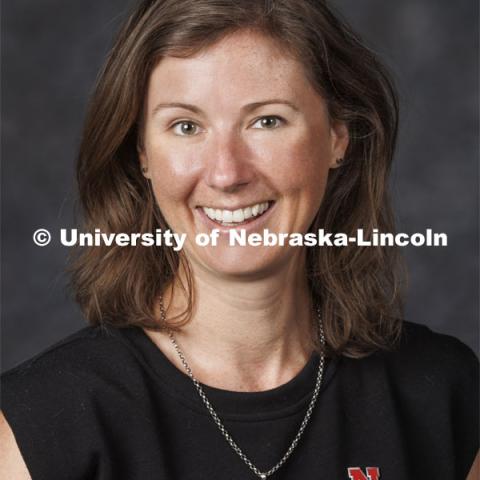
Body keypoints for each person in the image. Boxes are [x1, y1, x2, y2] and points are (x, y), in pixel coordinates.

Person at [1, 0, 478, 479]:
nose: (227, 173)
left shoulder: (443, 395)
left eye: (267, 120)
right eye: (186, 126)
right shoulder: (41, 421)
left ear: (337, 136)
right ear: (143, 153)